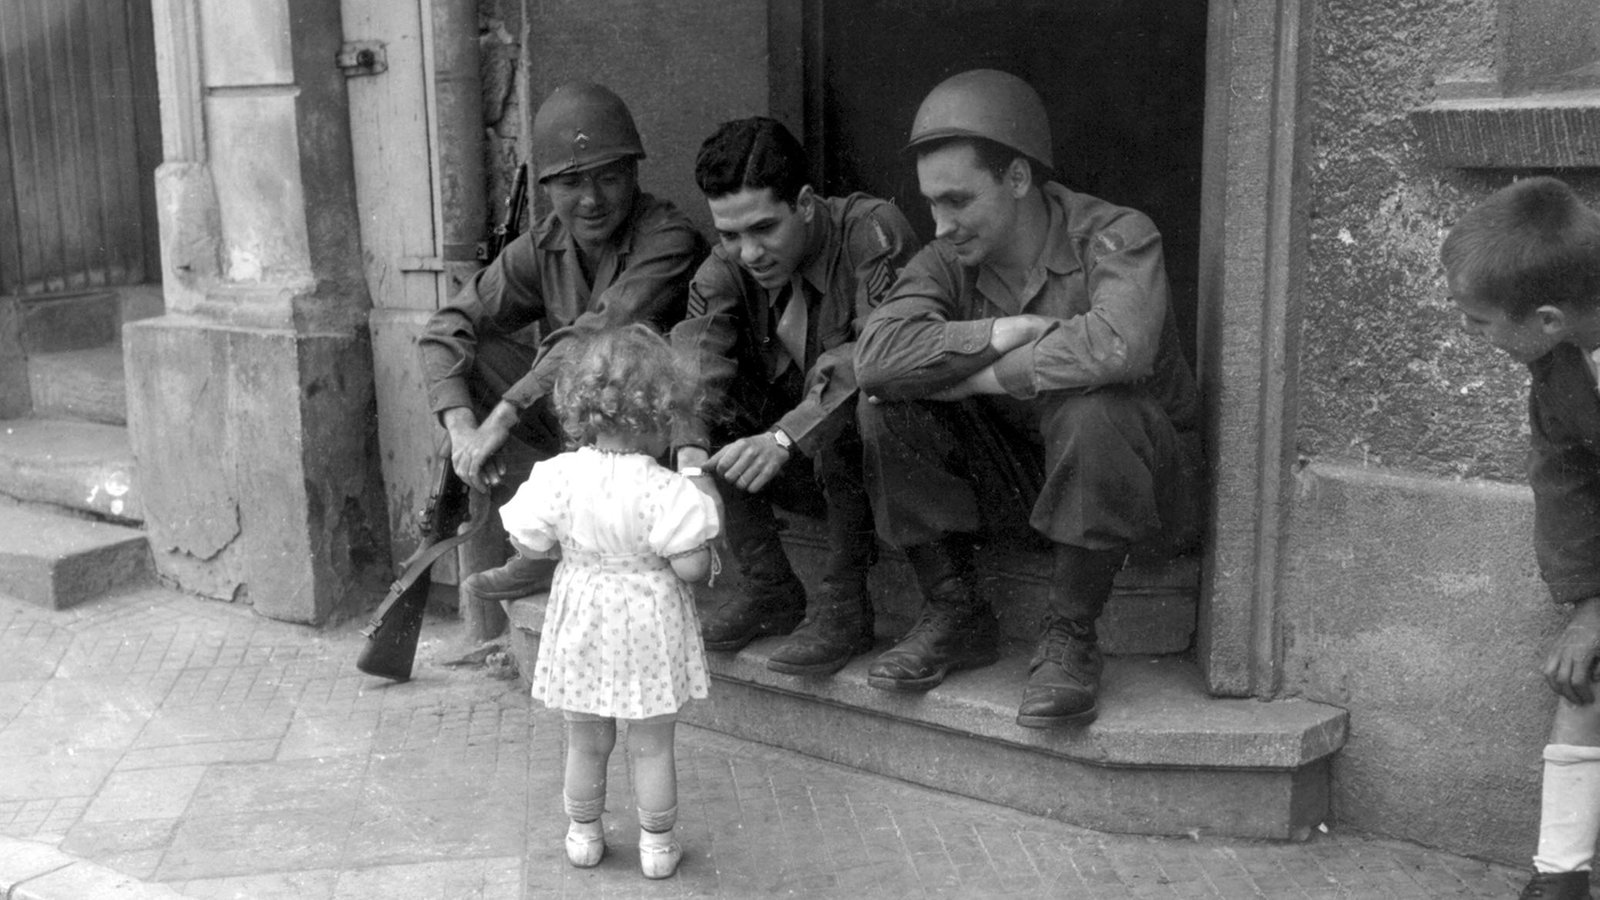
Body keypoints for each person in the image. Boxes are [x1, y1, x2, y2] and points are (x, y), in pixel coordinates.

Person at [853, 69, 1203, 728]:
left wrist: (984, 374)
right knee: (884, 402)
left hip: (1147, 495)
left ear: (1017, 178)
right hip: (1032, 478)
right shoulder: (946, 260)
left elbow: (1116, 347)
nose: (941, 223)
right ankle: (956, 609)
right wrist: (1004, 332)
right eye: (931, 204)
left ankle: (1070, 634)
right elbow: (875, 359)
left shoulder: (1117, 235)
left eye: (958, 200)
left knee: (1094, 401)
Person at [417, 82, 708, 610]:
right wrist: (462, 430)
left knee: (606, 372)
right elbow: (446, 327)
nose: (592, 199)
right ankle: (545, 548)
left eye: (609, 177)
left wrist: (502, 417)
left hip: (652, 440)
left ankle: (606, 552)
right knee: (475, 356)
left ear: (635, 174)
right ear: (548, 187)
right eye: (571, 182)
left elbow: (594, 332)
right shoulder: (545, 244)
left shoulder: (668, 238)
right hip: (583, 436)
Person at [670, 117, 919, 674]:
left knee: (855, 403)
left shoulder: (870, 233)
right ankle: (770, 588)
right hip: (797, 463)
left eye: (763, 229)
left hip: (884, 455)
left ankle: (845, 603)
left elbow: (877, 354)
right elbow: (695, 357)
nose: (748, 252)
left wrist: (785, 435)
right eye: (730, 234)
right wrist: (689, 458)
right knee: (712, 403)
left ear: (805, 203)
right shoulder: (727, 266)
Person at [498, 324, 720, 878]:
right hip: (648, 620)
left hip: (584, 616)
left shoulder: (559, 476)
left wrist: (570, 549)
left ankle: (584, 835)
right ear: (662, 412)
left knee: (587, 738)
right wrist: (706, 555)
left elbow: (527, 541)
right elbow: (690, 567)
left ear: (579, 406)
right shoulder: (667, 490)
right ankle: (657, 846)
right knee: (651, 743)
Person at [1443, 177, 1600, 900]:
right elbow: (1565, 482)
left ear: (1544, 318)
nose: (1468, 336)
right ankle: (1559, 880)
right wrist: (1586, 601)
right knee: (1585, 679)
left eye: (1476, 323)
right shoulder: (1559, 364)